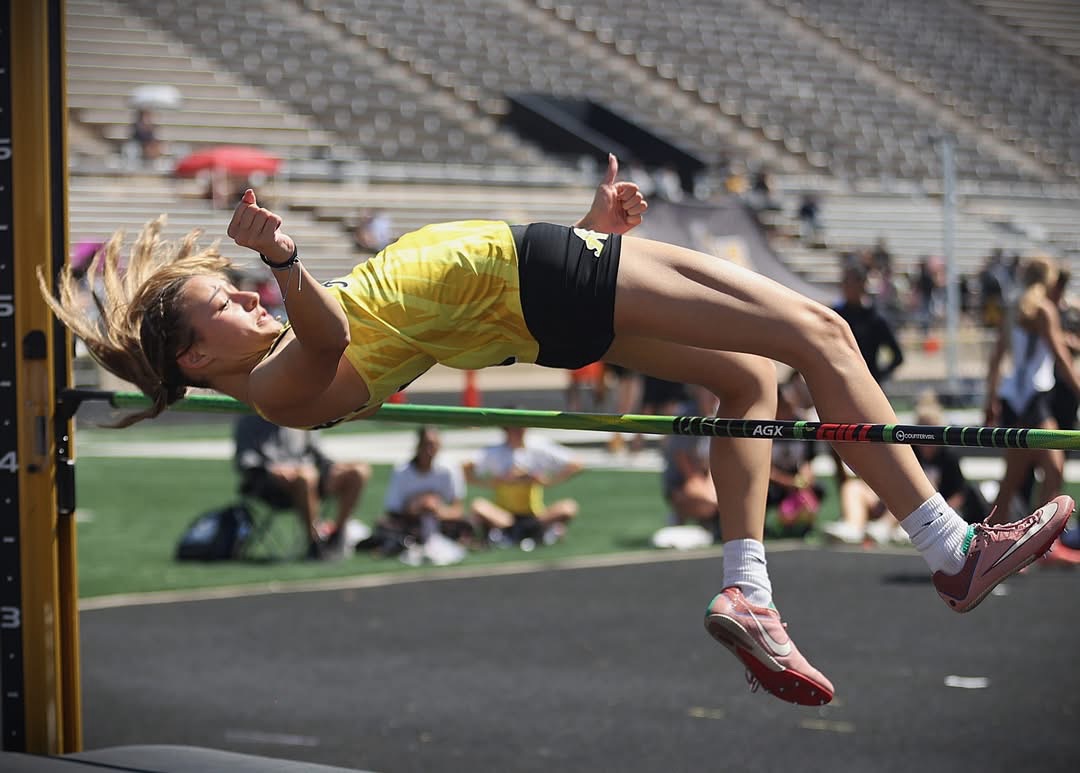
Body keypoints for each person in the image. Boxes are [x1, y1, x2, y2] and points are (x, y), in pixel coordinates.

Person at [39, 153, 1073, 707]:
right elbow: (326, 324)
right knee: (821, 329)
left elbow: (436, 310)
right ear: (192, 358)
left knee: (753, 374)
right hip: (536, 280)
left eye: (238, 287)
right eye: (223, 300)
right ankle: (950, 542)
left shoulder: (269, 372)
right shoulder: (278, 380)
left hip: (537, 290)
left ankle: (749, 589)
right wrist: (286, 260)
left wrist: (586, 229)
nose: (245, 299)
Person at [984, 255, 1080, 523]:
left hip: (1013, 397)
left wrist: (990, 400)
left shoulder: (1013, 307)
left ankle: (1004, 537)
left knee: (1013, 479)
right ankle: (1038, 537)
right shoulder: (1045, 310)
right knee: (1052, 468)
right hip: (1033, 398)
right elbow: (1061, 358)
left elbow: (996, 361)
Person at [233, 413, 371, 559]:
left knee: (358, 471)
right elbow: (246, 461)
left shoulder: (302, 414)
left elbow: (318, 455)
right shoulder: (250, 419)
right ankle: (314, 543)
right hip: (270, 486)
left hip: (310, 476)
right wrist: (271, 469)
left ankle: (337, 535)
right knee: (306, 476)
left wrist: (333, 467)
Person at [464, 423, 584, 548]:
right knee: (478, 506)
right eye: (516, 428)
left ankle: (523, 531)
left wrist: (547, 482)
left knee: (569, 507)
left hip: (535, 514)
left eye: (523, 427)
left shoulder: (538, 446)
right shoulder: (494, 451)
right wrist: (492, 483)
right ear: (506, 429)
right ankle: (537, 532)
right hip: (505, 515)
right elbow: (466, 467)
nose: (520, 431)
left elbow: (576, 464)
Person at [367, 425, 470, 556]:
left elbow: (458, 509)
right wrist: (417, 507)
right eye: (427, 445)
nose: (430, 450)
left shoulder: (449, 469)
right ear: (418, 445)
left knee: (467, 525)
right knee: (385, 526)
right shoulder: (402, 471)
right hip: (409, 524)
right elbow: (393, 510)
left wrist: (436, 510)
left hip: (441, 522)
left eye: (434, 445)